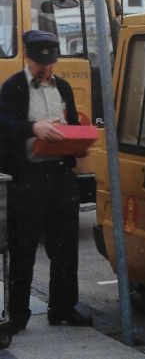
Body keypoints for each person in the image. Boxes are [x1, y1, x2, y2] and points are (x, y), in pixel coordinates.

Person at [0, 30, 92, 334]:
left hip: (60, 174)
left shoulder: (63, 87)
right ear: (27, 57)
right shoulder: (13, 87)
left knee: (65, 247)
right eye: (41, 63)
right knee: (23, 248)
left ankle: (63, 308)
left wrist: (76, 138)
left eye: (50, 63)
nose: (46, 69)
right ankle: (18, 314)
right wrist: (33, 127)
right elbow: (4, 124)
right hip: (27, 176)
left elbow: (74, 125)